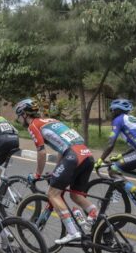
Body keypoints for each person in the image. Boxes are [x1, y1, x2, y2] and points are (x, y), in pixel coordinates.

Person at [14, 98, 97, 244]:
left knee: (52, 194)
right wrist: (58, 169)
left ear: (25, 115)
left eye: (19, 115)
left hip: (73, 157)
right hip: (87, 155)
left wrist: (37, 174)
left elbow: (41, 152)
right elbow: (62, 148)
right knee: (76, 196)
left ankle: (72, 232)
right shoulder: (51, 120)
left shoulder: (33, 125)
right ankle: (93, 211)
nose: (18, 119)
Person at [97, 99, 136, 205]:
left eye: (111, 110)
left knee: (113, 171)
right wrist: (121, 155)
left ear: (116, 110)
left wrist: (100, 160)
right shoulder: (133, 119)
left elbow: (110, 144)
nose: (111, 113)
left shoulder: (118, 120)